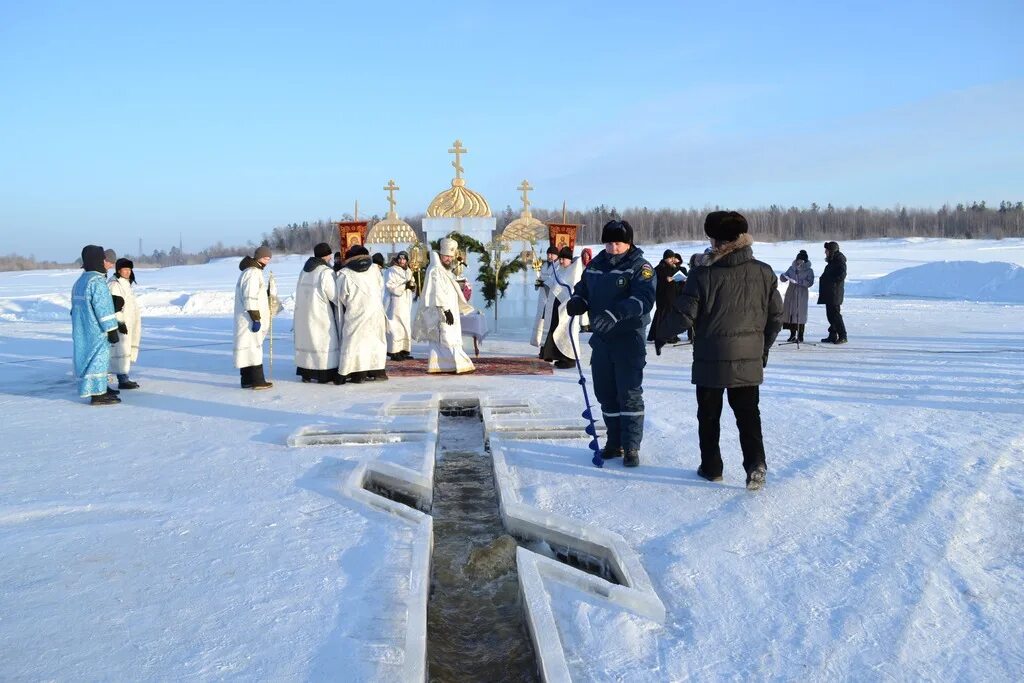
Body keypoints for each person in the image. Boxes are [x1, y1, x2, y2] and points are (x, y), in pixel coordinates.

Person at [655, 211, 782, 490]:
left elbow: (685, 315)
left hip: (710, 358)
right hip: (748, 359)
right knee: (748, 415)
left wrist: (660, 333)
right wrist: (762, 349)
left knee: (709, 415)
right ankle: (756, 464)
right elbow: (776, 317)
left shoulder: (703, 274)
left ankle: (712, 467)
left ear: (715, 240)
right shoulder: (764, 271)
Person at [565, 220, 656, 467]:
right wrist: (578, 300)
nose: (613, 247)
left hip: (629, 338)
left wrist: (616, 314)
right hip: (602, 339)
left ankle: (631, 447)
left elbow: (644, 299)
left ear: (628, 243)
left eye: (618, 243)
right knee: (606, 392)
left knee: (629, 393)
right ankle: (614, 443)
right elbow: (582, 288)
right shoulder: (595, 264)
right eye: (609, 242)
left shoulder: (640, 267)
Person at [412, 237, 476, 374]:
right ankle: (461, 363)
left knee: (440, 339)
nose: (449, 259)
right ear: (441, 255)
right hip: (441, 310)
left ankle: (439, 365)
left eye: (451, 257)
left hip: (448, 309)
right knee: (447, 336)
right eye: (446, 256)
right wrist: (445, 310)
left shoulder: (444, 269)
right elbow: (437, 292)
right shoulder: (436, 270)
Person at [72, 245, 121, 405]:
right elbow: (103, 308)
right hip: (97, 330)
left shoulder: (80, 280)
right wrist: (112, 329)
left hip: (82, 329)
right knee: (98, 359)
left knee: (87, 359)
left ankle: (100, 387)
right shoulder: (97, 281)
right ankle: (98, 394)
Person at [336, 245, 388, 383]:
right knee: (375, 341)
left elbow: (341, 295)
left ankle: (357, 374)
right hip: (376, 311)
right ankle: (377, 371)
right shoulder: (375, 269)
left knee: (355, 342)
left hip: (356, 312)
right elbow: (381, 287)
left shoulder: (344, 274)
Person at [293, 242, 341, 383]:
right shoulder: (325, 272)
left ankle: (306, 372)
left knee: (307, 341)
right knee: (322, 341)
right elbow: (334, 295)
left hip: (304, 314)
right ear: (327, 255)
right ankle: (323, 374)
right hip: (320, 314)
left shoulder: (304, 270)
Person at [233, 246, 274, 390]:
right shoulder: (252, 273)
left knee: (248, 348)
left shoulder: (251, 272)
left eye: (269, 259)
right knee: (254, 348)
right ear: (258, 257)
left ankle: (247, 379)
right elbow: (249, 297)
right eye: (265, 258)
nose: (267, 261)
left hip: (247, 318)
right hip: (250, 319)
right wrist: (255, 318)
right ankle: (257, 380)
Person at [540, 246, 583, 369]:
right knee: (555, 329)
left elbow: (570, 288)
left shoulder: (574, 271)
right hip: (557, 306)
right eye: (561, 259)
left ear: (570, 259)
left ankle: (569, 358)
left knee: (566, 332)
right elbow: (554, 281)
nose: (562, 261)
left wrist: (556, 288)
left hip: (567, 308)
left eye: (564, 259)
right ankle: (557, 356)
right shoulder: (561, 269)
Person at [107, 258, 142, 390]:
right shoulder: (115, 285)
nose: (128, 272)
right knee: (117, 352)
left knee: (124, 351)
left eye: (130, 269)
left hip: (128, 323)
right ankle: (115, 379)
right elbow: (114, 306)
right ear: (118, 270)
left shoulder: (125, 283)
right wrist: (120, 321)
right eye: (125, 269)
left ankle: (123, 377)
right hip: (120, 325)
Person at [648, 249, 686, 344]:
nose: (672, 260)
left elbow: (678, 275)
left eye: (673, 258)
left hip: (673, 295)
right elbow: (655, 279)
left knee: (672, 315)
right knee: (663, 315)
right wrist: (665, 279)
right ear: (665, 258)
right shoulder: (660, 267)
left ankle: (671, 335)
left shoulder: (673, 267)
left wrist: (679, 277)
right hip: (663, 295)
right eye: (670, 258)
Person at [384, 251, 416, 361]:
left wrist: (412, 287)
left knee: (405, 325)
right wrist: (404, 286)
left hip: (406, 302)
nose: (402, 261)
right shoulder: (391, 270)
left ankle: (404, 350)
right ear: (397, 259)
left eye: (404, 259)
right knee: (395, 326)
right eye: (400, 259)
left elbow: (412, 282)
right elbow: (389, 286)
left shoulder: (408, 271)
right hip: (396, 302)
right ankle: (394, 351)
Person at [779, 249, 814, 343]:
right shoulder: (791, 268)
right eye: (798, 260)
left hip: (801, 294)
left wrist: (800, 282)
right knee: (791, 313)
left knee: (799, 314)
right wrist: (783, 277)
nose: (799, 262)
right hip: (791, 293)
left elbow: (810, 282)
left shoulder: (809, 270)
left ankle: (800, 336)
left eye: (801, 260)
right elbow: (784, 277)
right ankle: (792, 335)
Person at [818, 241, 848, 344]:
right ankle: (832, 335)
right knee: (830, 315)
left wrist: (830, 280)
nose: (825, 252)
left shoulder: (839, 261)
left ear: (832, 251)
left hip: (835, 293)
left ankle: (843, 335)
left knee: (835, 315)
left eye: (826, 250)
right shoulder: (832, 261)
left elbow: (842, 275)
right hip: (830, 293)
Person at [530, 246, 559, 348]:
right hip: (542, 296)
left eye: (551, 254)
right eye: (548, 254)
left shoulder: (558, 266)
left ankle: (548, 346)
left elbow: (555, 280)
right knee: (540, 319)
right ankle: (540, 343)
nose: (549, 256)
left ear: (556, 255)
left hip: (551, 296)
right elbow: (540, 277)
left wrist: (545, 283)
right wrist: (538, 283)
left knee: (548, 321)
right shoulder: (544, 265)